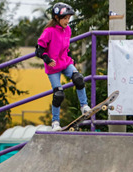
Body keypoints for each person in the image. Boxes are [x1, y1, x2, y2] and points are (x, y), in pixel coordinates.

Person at [35, 2, 91, 131]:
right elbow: (39, 49)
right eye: (65, 18)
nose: (67, 21)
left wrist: (72, 60)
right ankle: (55, 122)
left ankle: (84, 107)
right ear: (56, 18)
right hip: (53, 66)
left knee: (78, 79)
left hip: (65, 62)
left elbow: (66, 47)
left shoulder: (68, 30)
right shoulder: (48, 32)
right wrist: (46, 58)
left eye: (69, 18)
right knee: (58, 94)